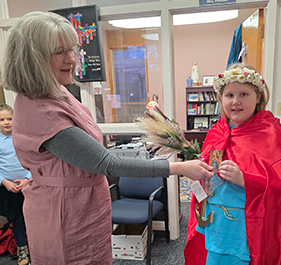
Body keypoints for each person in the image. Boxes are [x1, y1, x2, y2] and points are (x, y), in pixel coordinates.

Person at [0, 11, 213, 265]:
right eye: (59, 52)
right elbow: (106, 163)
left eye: (72, 49)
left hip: (84, 205)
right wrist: (179, 168)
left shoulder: (57, 92)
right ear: (32, 58)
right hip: (64, 215)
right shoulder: (41, 109)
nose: (71, 59)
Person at [184, 63, 281, 265]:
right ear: (221, 99)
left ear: (258, 97)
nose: (236, 101)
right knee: (214, 258)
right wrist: (199, 173)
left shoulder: (272, 134)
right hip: (216, 222)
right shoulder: (216, 131)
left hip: (247, 229)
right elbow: (208, 179)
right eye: (229, 95)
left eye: (244, 94)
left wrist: (245, 179)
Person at [0, 104, 31, 265]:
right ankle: (22, 248)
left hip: (30, 186)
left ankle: (38, 246)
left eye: (9, 118)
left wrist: (27, 179)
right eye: (2, 119)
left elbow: (35, 161)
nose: (6, 122)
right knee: (17, 219)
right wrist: (4, 182)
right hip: (9, 188)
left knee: (34, 218)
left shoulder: (23, 137)